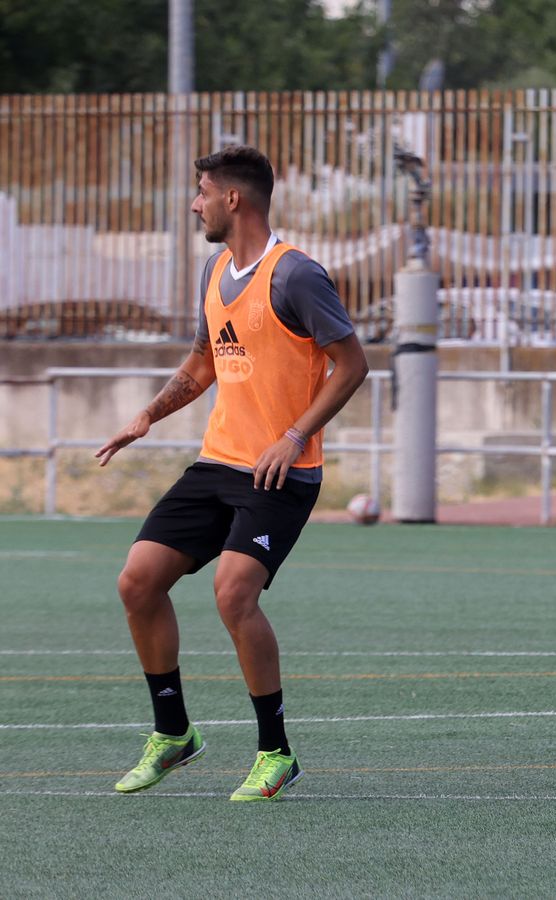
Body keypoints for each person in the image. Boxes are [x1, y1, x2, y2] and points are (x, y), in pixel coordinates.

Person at [97, 145, 369, 799]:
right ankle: (174, 736)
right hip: (217, 464)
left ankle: (276, 753)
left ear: (233, 199)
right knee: (137, 582)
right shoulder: (215, 270)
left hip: (283, 471)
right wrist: (149, 415)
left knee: (232, 593)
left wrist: (295, 435)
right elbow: (202, 363)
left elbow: (352, 365)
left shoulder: (296, 275)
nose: (196, 204)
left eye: (201, 191)